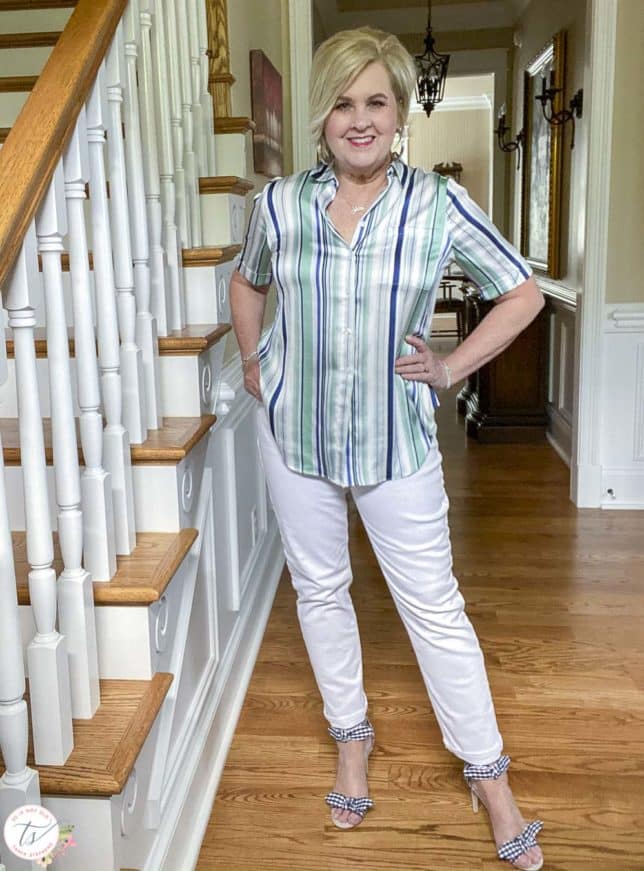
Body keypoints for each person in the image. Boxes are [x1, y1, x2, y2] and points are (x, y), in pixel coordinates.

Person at [229, 26, 545, 871]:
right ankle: (351, 737)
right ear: (322, 116)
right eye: (342, 103)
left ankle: (490, 774)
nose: (358, 120)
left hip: (397, 439)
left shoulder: (437, 204)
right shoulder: (279, 203)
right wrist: (256, 359)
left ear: (400, 114)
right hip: (293, 433)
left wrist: (449, 367)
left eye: (376, 102)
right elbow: (248, 278)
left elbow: (520, 291)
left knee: (434, 608)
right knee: (322, 591)